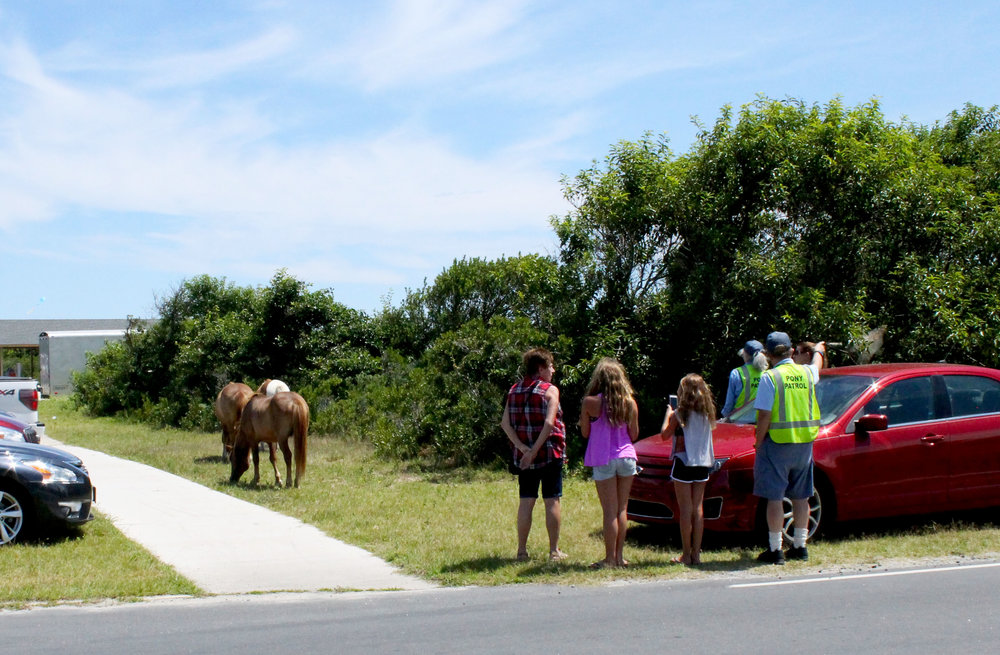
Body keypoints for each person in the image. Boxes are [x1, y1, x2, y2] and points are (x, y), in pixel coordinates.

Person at [753, 332, 825, 564]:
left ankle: (776, 550)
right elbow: (817, 364)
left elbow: (764, 414)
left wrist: (758, 440)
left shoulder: (770, 377)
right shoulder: (806, 372)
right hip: (804, 443)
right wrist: (819, 350)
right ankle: (800, 546)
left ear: (769, 354)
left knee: (774, 498)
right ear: (792, 352)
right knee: (802, 497)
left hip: (777, 443)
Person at [500, 347, 568, 562]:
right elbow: (550, 423)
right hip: (549, 453)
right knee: (552, 501)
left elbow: (504, 424)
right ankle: (554, 551)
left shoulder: (513, 390)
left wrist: (523, 450)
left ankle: (521, 551)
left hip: (525, 457)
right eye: (550, 366)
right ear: (540, 369)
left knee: (526, 501)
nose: (553, 370)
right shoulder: (551, 390)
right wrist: (535, 450)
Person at [579, 358, 640, 569]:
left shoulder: (590, 403)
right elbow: (634, 434)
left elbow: (585, 433)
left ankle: (609, 559)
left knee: (609, 511)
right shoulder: (630, 403)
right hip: (626, 456)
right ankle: (620, 556)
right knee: (622, 509)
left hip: (603, 457)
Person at [661, 374, 717, 566]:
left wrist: (668, 415)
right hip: (702, 463)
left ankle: (686, 554)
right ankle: (697, 554)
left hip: (684, 462)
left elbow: (664, 435)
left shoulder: (679, 414)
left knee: (685, 509)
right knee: (698, 508)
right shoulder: (707, 413)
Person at [721, 340, 768, 417]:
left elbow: (729, 402)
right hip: (760, 420)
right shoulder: (767, 374)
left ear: (745, 354)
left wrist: (725, 415)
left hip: (739, 419)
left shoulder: (737, 373)